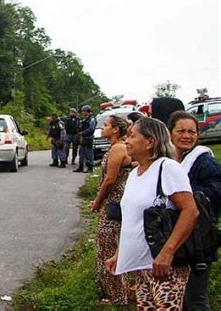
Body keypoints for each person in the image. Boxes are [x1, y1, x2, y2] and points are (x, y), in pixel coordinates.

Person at [105, 117, 199, 310]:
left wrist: (167, 253)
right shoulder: (134, 174)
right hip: (143, 266)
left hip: (164, 267)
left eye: (132, 136)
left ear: (150, 142)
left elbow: (190, 211)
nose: (126, 141)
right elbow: (133, 220)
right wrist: (119, 253)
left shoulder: (167, 168)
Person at [168, 111, 221, 311]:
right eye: (181, 131)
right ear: (170, 133)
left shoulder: (204, 162)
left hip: (199, 240)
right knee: (178, 297)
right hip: (176, 237)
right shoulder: (170, 160)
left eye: (192, 132)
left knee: (195, 299)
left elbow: (216, 193)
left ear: (197, 136)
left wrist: (183, 195)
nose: (187, 136)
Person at [88, 115, 132, 306]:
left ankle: (117, 296)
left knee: (108, 248)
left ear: (115, 129)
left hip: (114, 204)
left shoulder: (118, 148)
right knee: (112, 246)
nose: (102, 128)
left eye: (106, 125)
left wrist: (98, 201)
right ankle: (116, 292)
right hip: (116, 202)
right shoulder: (119, 147)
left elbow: (110, 180)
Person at [74, 105, 96, 173]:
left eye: (83, 111)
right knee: (81, 153)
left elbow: (91, 129)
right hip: (83, 138)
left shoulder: (92, 119)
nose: (82, 113)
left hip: (88, 138)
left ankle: (90, 167)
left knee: (88, 153)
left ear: (87, 111)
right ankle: (80, 166)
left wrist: (83, 132)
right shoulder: (85, 118)